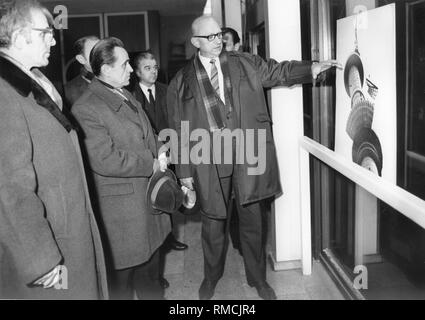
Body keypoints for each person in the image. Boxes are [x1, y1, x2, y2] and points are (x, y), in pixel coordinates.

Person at [166, 15, 341, 300]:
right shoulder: (181, 80)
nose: (218, 40)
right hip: (208, 159)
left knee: (253, 222)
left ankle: (258, 278)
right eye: (210, 37)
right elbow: (178, 128)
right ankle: (211, 278)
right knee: (213, 225)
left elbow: (278, 71)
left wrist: (311, 68)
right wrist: (184, 172)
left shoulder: (243, 63)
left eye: (219, 34)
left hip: (248, 153)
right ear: (195, 42)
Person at [0, 0, 107, 299]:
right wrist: (40, 260)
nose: (53, 38)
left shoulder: (33, 77)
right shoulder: (4, 94)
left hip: (66, 223)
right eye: (46, 32)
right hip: (51, 239)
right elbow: (9, 188)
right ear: (20, 37)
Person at [71, 37, 171, 300]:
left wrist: (160, 147)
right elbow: (105, 158)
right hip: (124, 216)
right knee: (122, 288)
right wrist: (150, 163)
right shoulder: (86, 107)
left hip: (146, 204)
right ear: (105, 69)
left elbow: (148, 131)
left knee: (150, 281)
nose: (131, 69)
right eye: (126, 64)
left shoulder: (124, 93)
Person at [132, 51, 189, 253]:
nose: (153, 72)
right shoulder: (130, 96)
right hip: (147, 155)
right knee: (150, 197)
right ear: (137, 71)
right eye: (147, 68)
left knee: (169, 191)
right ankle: (157, 242)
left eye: (155, 67)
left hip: (169, 151)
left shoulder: (167, 91)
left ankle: (169, 237)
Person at [64, 35, 99, 109]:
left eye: (103, 50)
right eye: (95, 53)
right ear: (81, 59)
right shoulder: (69, 92)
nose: (102, 55)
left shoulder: (120, 78)